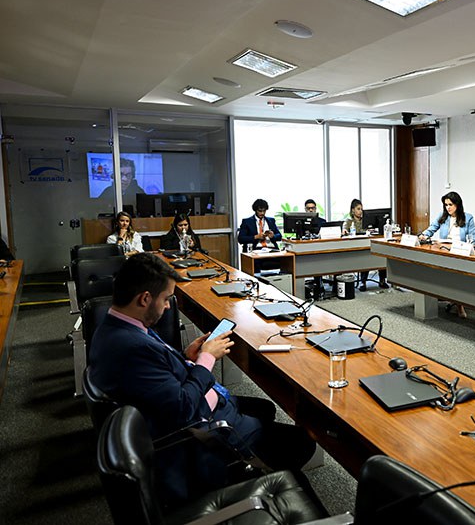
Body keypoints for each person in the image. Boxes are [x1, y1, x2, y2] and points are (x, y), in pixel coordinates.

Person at [88, 253, 316, 504]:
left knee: (265, 408)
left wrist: (187, 358)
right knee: (302, 442)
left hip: (176, 413)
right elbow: (184, 409)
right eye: (165, 299)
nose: (167, 307)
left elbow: (157, 374)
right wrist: (206, 359)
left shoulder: (113, 327)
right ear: (144, 298)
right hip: (197, 436)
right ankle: (257, 480)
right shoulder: (132, 347)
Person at [420, 192, 475, 318]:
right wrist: (423, 235)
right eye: (446, 205)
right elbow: (432, 228)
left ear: (457, 204)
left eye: (450, 204)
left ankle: (459, 305)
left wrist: (472, 246)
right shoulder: (443, 217)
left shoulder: (468, 218)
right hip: (444, 250)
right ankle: (445, 296)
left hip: (459, 252)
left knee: (457, 277)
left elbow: (473, 237)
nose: (448, 208)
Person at [342, 199, 389, 291]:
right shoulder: (349, 221)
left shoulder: (367, 220)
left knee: (380, 254)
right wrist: (345, 231)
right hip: (356, 247)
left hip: (367, 244)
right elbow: (344, 229)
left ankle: (382, 279)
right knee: (365, 256)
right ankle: (363, 282)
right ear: (353, 210)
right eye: (358, 209)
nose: (360, 211)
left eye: (361, 209)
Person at [305, 199, 327, 294]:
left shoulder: (322, 222)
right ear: (305, 210)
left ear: (315, 209)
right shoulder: (300, 222)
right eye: (308, 208)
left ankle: (319, 282)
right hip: (305, 249)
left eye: (312, 208)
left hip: (320, 248)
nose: (311, 210)